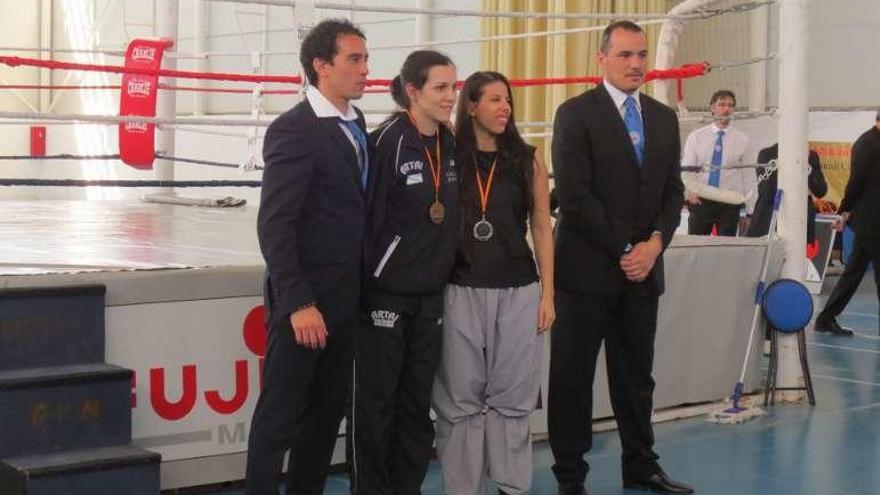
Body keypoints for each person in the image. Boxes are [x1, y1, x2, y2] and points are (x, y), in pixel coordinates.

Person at [548, 21, 693, 495]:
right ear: (602, 58)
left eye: (642, 54)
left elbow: (673, 192)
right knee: (572, 377)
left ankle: (641, 464)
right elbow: (574, 196)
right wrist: (626, 249)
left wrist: (654, 245)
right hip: (587, 272)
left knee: (636, 378)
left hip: (644, 270)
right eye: (626, 55)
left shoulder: (663, 117)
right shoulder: (575, 114)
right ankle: (570, 474)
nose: (636, 64)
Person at [245, 19, 370, 495]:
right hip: (305, 302)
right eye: (353, 60)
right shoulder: (293, 130)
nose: (365, 70)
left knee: (323, 420)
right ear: (321, 66)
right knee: (279, 417)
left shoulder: (355, 124)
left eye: (365, 59)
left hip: (345, 301)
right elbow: (275, 224)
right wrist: (297, 302)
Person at [431, 71, 555, 495]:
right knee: (458, 400)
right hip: (459, 287)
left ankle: (511, 487)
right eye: (495, 100)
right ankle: (463, 488)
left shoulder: (528, 158)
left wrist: (548, 294)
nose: (505, 108)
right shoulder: (448, 156)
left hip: (519, 288)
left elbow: (541, 225)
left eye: (509, 100)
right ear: (471, 106)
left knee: (513, 397)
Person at [349, 50, 458, 495]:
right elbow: (366, 220)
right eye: (441, 88)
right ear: (413, 92)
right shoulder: (388, 141)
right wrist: (370, 283)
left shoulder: (449, 142)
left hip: (431, 297)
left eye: (455, 87)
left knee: (416, 408)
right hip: (385, 297)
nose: (452, 97)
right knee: (376, 408)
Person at [814, 112, 880, 337]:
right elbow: (856, 181)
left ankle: (825, 318)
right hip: (870, 219)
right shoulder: (866, 143)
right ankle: (825, 318)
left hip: (874, 219)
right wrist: (844, 210)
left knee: (853, 272)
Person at [682, 90, 756, 236]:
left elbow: (749, 176)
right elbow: (687, 169)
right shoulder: (696, 137)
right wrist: (690, 192)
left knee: (725, 249)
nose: (726, 109)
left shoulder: (743, 140)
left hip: (729, 202)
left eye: (730, 105)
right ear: (712, 108)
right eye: (721, 104)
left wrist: (750, 211)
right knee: (696, 248)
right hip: (701, 200)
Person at [746, 143, 828, 244]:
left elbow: (821, 191)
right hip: (769, 222)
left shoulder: (811, 156)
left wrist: (807, 166)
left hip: (800, 222)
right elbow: (766, 192)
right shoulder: (767, 154)